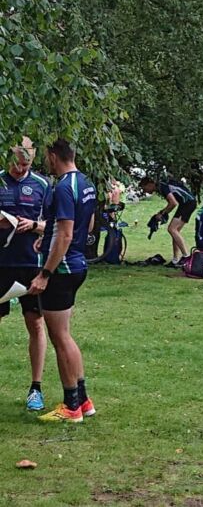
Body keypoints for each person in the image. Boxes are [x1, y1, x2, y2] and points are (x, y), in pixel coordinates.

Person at [28, 138, 97, 422]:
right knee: (65, 334)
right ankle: (84, 401)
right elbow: (86, 225)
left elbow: (66, 235)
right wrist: (47, 240)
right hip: (78, 264)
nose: (46, 162)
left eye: (47, 157)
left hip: (62, 270)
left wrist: (45, 273)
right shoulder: (86, 183)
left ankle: (71, 406)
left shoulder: (63, 187)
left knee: (60, 337)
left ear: (54, 156)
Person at [0, 137, 51, 411]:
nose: (20, 169)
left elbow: (54, 226)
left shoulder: (42, 185)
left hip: (31, 265)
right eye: (17, 164)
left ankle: (36, 388)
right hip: (1, 264)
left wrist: (33, 225)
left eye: (26, 165)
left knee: (35, 323)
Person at [140, 176, 197, 267]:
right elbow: (172, 203)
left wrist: (162, 213)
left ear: (150, 184)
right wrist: (162, 213)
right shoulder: (161, 186)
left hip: (188, 203)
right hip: (185, 203)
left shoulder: (162, 186)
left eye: (144, 188)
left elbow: (173, 203)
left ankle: (186, 257)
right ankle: (175, 260)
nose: (144, 191)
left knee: (172, 229)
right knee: (175, 231)